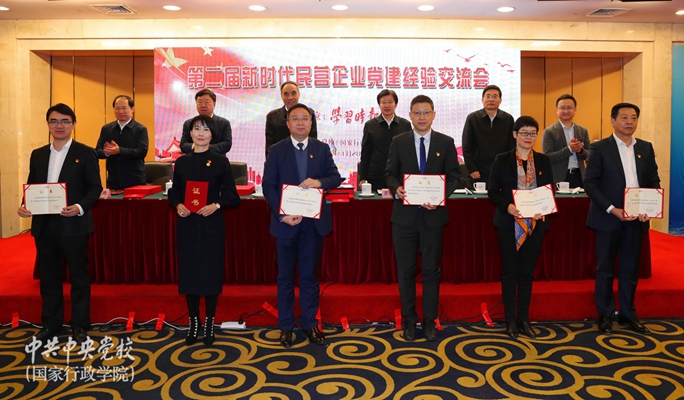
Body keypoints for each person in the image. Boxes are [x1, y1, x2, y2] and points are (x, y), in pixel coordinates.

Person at [18, 103, 102, 345]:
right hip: (44, 226)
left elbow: (94, 188)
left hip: (73, 225)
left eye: (65, 121)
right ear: (48, 124)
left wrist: (79, 207)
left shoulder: (86, 153)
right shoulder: (38, 154)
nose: (59, 126)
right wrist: (25, 204)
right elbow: (33, 186)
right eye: (54, 121)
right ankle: (51, 323)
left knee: (79, 277)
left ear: (73, 124)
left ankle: (79, 324)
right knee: (49, 277)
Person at [262, 103, 342, 347]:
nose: (300, 123)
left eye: (304, 118)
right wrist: (281, 215)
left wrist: (319, 182)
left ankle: (309, 323)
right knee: (285, 278)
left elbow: (335, 177)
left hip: (312, 224)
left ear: (311, 123)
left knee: (309, 277)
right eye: (295, 119)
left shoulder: (321, 148)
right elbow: (269, 185)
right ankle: (286, 327)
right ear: (287, 124)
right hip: (285, 223)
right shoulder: (276, 150)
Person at [385, 95, 460, 342]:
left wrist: (440, 196)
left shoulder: (446, 142)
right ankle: (409, 320)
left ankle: (429, 320)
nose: (421, 117)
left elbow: (454, 176)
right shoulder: (399, 141)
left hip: (433, 217)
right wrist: (396, 188)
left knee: (431, 271)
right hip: (404, 218)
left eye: (426, 112)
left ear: (434, 115)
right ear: (410, 115)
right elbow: (389, 173)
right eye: (417, 113)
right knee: (405, 271)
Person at [585, 102, 660, 335]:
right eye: (624, 117)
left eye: (634, 118)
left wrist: (651, 207)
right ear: (613, 121)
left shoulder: (645, 147)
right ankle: (605, 315)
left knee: (630, 269)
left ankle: (628, 314)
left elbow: (653, 180)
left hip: (637, 218)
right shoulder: (599, 148)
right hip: (609, 218)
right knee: (605, 269)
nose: (629, 122)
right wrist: (612, 209)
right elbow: (590, 183)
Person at [168, 115, 240, 346]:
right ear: (190, 133)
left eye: (206, 129)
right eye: (197, 129)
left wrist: (216, 205)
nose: (201, 133)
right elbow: (175, 191)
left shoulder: (220, 161)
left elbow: (231, 194)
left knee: (210, 272)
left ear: (212, 135)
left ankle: (209, 321)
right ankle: (194, 321)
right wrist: (178, 204)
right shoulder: (182, 162)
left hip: (211, 224)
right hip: (188, 224)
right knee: (189, 272)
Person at [488, 116, 554, 338]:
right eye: (524, 132)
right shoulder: (502, 159)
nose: (529, 137)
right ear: (515, 135)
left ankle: (523, 319)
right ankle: (510, 320)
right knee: (509, 272)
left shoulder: (543, 160)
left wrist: (543, 207)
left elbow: (549, 189)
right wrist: (507, 206)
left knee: (526, 273)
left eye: (533, 133)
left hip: (535, 224)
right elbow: (492, 191)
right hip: (509, 224)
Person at [461, 84, 515, 190]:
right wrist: (472, 169)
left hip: (501, 171)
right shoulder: (473, 118)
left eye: (495, 96)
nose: (491, 99)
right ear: (482, 100)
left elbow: (511, 146)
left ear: (500, 100)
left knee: (500, 199)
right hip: (477, 172)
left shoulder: (508, 119)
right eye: (488, 96)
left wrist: (507, 169)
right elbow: (467, 146)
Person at [359, 89, 412, 191]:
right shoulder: (370, 125)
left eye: (390, 102)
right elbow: (365, 153)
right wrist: (363, 178)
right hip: (376, 174)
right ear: (379, 104)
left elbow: (410, 152)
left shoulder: (405, 125)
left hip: (398, 175)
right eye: (383, 102)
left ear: (396, 104)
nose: (387, 105)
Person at [95, 95, 149, 190]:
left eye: (124, 108)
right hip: (113, 180)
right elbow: (97, 151)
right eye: (117, 108)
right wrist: (107, 152)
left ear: (132, 109)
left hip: (135, 180)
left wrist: (119, 150)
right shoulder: (107, 129)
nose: (120, 111)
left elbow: (142, 152)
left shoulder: (140, 129)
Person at [542, 94, 590, 188]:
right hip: (559, 178)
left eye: (569, 107)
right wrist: (569, 149)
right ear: (557, 110)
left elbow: (590, 155)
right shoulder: (549, 131)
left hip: (579, 177)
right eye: (562, 108)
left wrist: (580, 150)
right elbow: (547, 157)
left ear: (575, 109)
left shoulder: (582, 130)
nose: (566, 111)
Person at [265, 81, 318, 156]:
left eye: (293, 93)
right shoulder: (273, 117)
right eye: (286, 94)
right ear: (281, 96)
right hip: (281, 160)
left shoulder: (309, 113)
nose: (290, 97)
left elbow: (313, 142)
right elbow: (269, 147)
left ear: (298, 94)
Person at [180, 89, 232, 155]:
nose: (203, 105)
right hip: (194, 159)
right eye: (200, 102)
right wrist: (195, 146)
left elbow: (226, 145)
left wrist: (204, 148)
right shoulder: (188, 123)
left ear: (214, 104)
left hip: (216, 159)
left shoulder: (224, 123)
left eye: (207, 102)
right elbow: (183, 145)